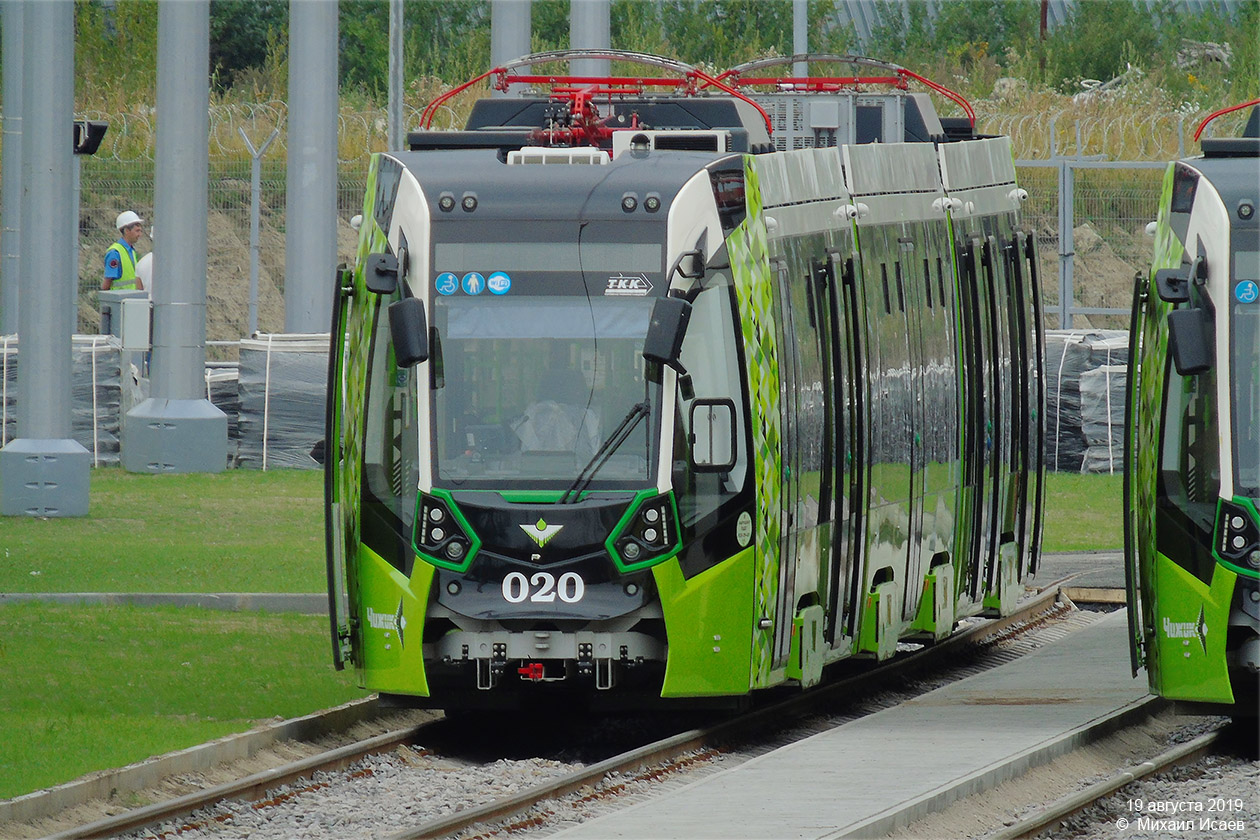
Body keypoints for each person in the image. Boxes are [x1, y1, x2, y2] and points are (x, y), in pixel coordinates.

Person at [103, 210, 145, 292]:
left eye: (140, 231)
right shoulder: (115, 253)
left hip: (131, 297)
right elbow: (107, 284)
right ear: (126, 231)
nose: (140, 235)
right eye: (137, 231)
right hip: (118, 298)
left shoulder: (131, 251)